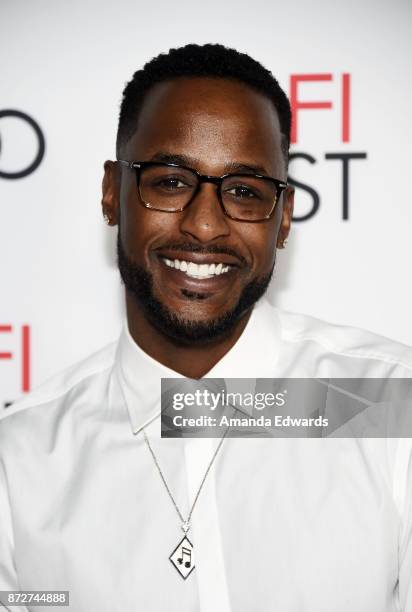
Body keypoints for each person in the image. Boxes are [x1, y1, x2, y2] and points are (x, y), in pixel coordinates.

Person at [0, 43, 411, 612]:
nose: (204, 225)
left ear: (284, 218)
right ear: (111, 192)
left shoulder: (388, 407)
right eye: (170, 181)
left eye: (244, 191)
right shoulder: (18, 459)